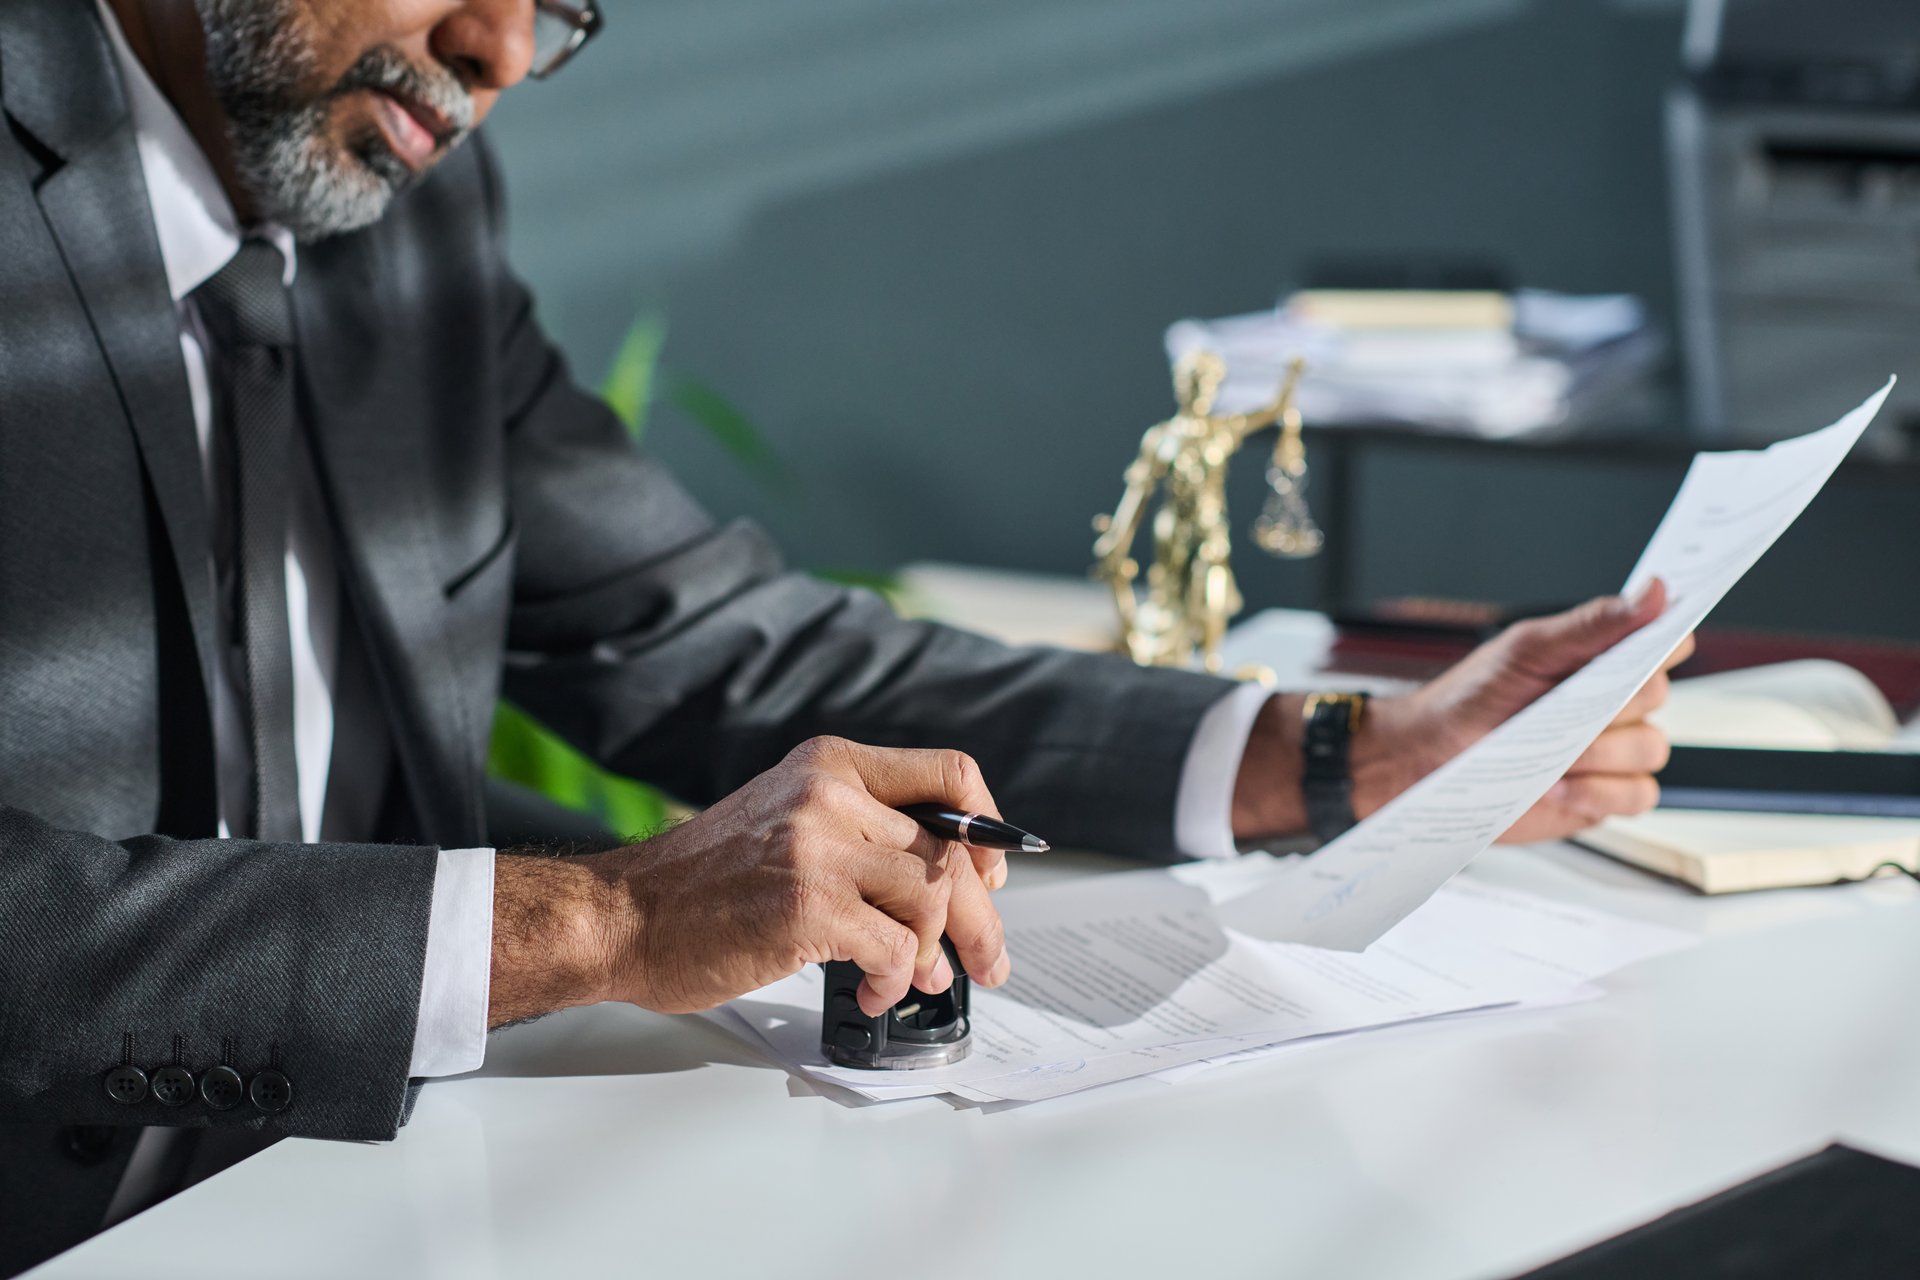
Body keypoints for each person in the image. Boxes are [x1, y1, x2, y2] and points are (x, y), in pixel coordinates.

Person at [0, 1, 1686, 1272]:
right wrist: (598, 919)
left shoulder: (410, 203)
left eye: (565, 1)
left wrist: (1340, 750)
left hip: (414, 1196)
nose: (498, 50)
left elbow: (726, 643)